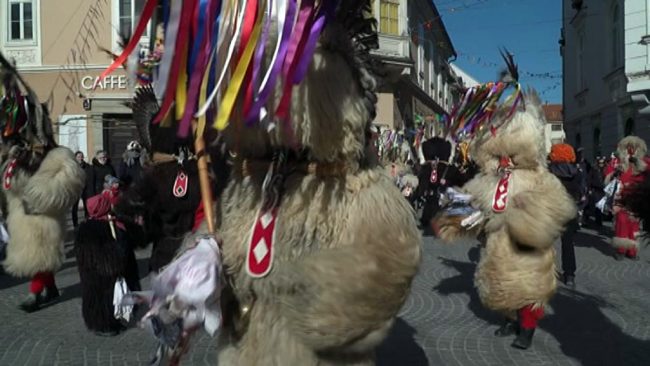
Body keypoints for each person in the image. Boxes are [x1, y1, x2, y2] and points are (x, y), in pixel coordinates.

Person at [434, 88, 576, 350]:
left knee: (528, 288)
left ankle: (528, 329)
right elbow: (474, 202)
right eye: (499, 156)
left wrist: (531, 210)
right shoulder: (489, 179)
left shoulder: (537, 177)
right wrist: (452, 217)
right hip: (498, 244)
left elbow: (559, 205)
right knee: (501, 285)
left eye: (509, 155)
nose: (504, 161)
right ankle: (511, 320)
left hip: (527, 244)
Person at [75, 175, 142, 336]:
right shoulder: (102, 228)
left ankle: (111, 321)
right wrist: (118, 261)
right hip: (101, 275)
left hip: (98, 274)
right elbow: (107, 255)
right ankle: (103, 325)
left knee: (105, 299)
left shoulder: (95, 226)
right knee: (103, 300)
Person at [604, 136, 650, 260]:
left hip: (637, 198)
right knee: (622, 223)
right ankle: (621, 249)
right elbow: (607, 176)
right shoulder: (618, 163)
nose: (631, 151)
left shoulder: (643, 162)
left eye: (634, 148)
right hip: (621, 198)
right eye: (629, 148)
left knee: (634, 225)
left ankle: (632, 251)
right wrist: (615, 173)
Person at [548, 144, 583, 287]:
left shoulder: (549, 171)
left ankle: (545, 271)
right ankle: (569, 274)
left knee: (545, 243)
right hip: (569, 211)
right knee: (568, 243)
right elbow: (581, 192)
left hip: (552, 210)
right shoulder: (577, 172)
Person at [585, 156, 606, 227]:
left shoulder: (604, 170)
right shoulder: (594, 170)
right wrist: (589, 189)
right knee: (597, 206)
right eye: (600, 163)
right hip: (596, 189)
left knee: (601, 206)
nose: (601, 164)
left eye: (602, 163)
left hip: (603, 190)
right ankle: (597, 221)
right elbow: (589, 179)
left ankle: (599, 221)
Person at [71, 151, 89, 227]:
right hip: (76, 189)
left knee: (87, 206)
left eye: (81, 156)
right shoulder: (72, 167)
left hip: (85, 188)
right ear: (75, 158)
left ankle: (87, 222)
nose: (80, 158)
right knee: (74, 208)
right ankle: (75, 224)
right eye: (78, 157)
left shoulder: (87, 166)